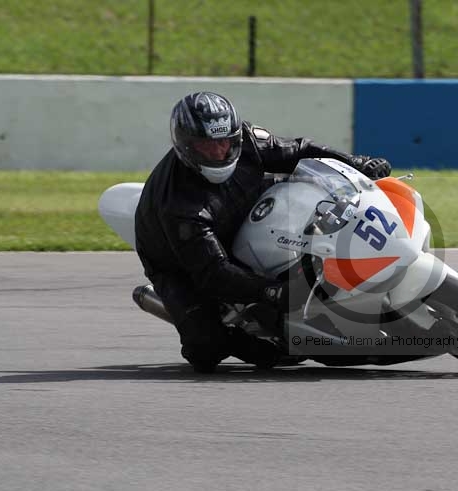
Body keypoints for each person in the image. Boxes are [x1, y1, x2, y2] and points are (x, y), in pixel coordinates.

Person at [134, 91, 392, 373]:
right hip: (178, 262)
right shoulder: (180, 206)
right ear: (187, 148)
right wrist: (271, 291)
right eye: (207, 147)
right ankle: (244, 339)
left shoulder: (248, 141)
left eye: (225, 143)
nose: (220, 152)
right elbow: (214, 273)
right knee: (205, 347)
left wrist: (355, 162)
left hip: (244, 205)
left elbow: (300, 150)